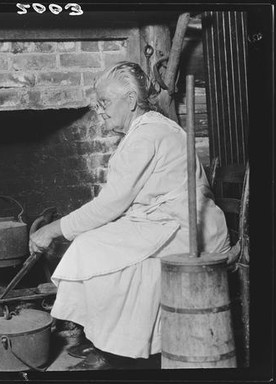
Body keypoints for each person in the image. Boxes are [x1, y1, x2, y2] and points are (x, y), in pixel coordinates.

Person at [29, 61, 231, 370]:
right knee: (91, 243)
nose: (100, 110)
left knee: (88, 246)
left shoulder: (147, 135)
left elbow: (109, 206)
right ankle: (106, 340)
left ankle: (116, 345)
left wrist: (51, 231)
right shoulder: (146, 131)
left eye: (105, 102)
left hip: (186, 228)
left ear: (131, 100)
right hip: (164, 222)